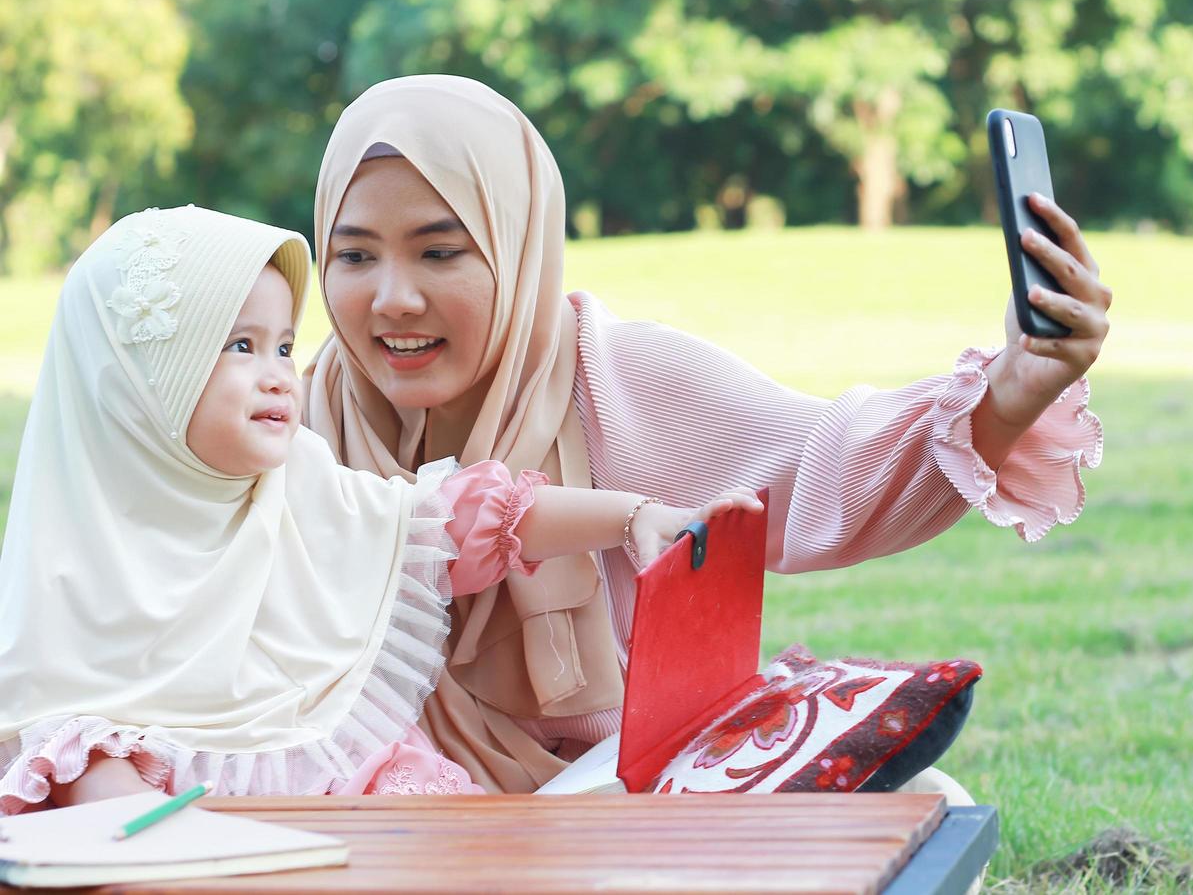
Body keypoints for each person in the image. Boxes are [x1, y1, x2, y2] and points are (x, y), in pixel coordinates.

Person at [303, 75, 1110, 794]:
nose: (392, 299)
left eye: (440, 252)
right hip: (367, 806)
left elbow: (828, 464)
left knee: (930, 798)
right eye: (355, 256)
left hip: (613, 799)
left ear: (520, 250)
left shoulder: (616, 376)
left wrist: (1008, 394)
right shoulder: (302, 417)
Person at [0, 206, 757, 813]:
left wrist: (633, 517)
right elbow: (91, 788)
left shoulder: (301, 488)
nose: (277, 377)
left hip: (383, 815)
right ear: (138, 385)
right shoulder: (72, 584)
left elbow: (459, 518)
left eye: (283, 346)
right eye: (237, 346)